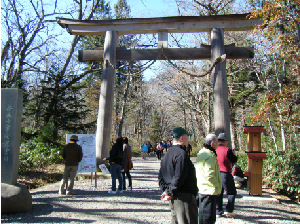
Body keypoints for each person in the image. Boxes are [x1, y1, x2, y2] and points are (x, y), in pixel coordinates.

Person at [158, 127, 198, 224]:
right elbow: (179, 176)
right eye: (187, 137)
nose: (188, 140)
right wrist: (169, 192)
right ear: (182, 139)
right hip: (184, 197)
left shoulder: (167, 155)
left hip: (174, 197)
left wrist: (166, 191)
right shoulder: (181, 154)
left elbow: (160, 176)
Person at [195, 134, 222, 224]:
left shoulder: (201, 153)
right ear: (212, 144)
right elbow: (210, 174)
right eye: (217, 142)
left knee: (202, 215)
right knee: (209, 218)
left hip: (202, 187)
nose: (218, 144)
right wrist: (217, 185)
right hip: (209, 189)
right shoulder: (209, 155)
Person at [216, 133, 238, 218]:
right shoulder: (227, 150)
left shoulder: (214, 150)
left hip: (216, 174)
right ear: (225, 141)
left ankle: (218, 211)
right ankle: (229, 210)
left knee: (218, 193)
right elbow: (234, 159)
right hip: (225, 173)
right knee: (231, 192)